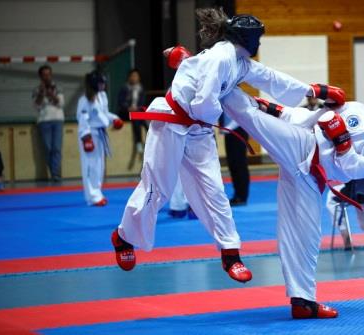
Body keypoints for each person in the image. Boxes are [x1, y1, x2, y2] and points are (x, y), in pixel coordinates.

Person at [113, 8, 339, 285]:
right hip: (173, 121)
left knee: (215, 191)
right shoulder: (221, 58)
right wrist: (221, 101)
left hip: (198, 129)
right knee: (157, 188)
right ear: (247, 37)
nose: (259, 44)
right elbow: (202, 102)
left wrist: (314, 91)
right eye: (258, 38)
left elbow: (269, 77)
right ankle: (124, 237)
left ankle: (230, 253)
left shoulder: (239, 61)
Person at [221, 79, 364, 319]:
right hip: (302, 146)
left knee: (306, 240)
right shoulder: (353, 108)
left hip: (312, 180)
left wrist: (342, 141)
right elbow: (308, 117)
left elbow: (353, 170)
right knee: (254, 117)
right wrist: (272, 109)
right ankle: (216, 82)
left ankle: (303, 301)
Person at [77, 71, 123, 206]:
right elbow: (82, 119)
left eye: (104, 83)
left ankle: (97, 192)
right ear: (94, 84)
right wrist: (86, 138)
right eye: (100, 83)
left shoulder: (102, 96)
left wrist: (115, 119)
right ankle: (92, 197)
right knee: (89, 166)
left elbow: (104, 113)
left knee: (99, 166)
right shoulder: (84, 100)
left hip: (101, 133)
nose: (103, 85)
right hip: (89, 134)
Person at [32, 65, 64, 182]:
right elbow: (37, 106)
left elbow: (60, 103)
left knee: (56, 148)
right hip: (44, 121)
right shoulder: (36, 89)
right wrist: (41, 93)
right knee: (48, 148)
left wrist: (50, 93)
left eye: (48, 74)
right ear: (40, 76)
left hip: (57, 120)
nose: (47, 77)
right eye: (44, 75)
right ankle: (53, 172)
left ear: (51, 75)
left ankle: (56, 174)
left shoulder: (58, 87)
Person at [220, 113, 250, 206]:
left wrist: (228, 127)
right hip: (230, 129)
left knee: (238, 163)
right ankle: (238, 194)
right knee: (233, 163)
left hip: (237, 128)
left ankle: (241, 196)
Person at [117, 69, 148, 154]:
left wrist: (137, 108)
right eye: (133, 76)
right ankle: (138, 142)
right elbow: (120, 102)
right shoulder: (124, 88)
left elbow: (142, 102)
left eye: (136, 76)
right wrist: (128, 108)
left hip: (136, 113)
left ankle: (148, 140)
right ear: (129, 77)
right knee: (136, 118)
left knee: (144, 120)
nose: (135, 78)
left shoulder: (141, 89)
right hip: (126, 113)